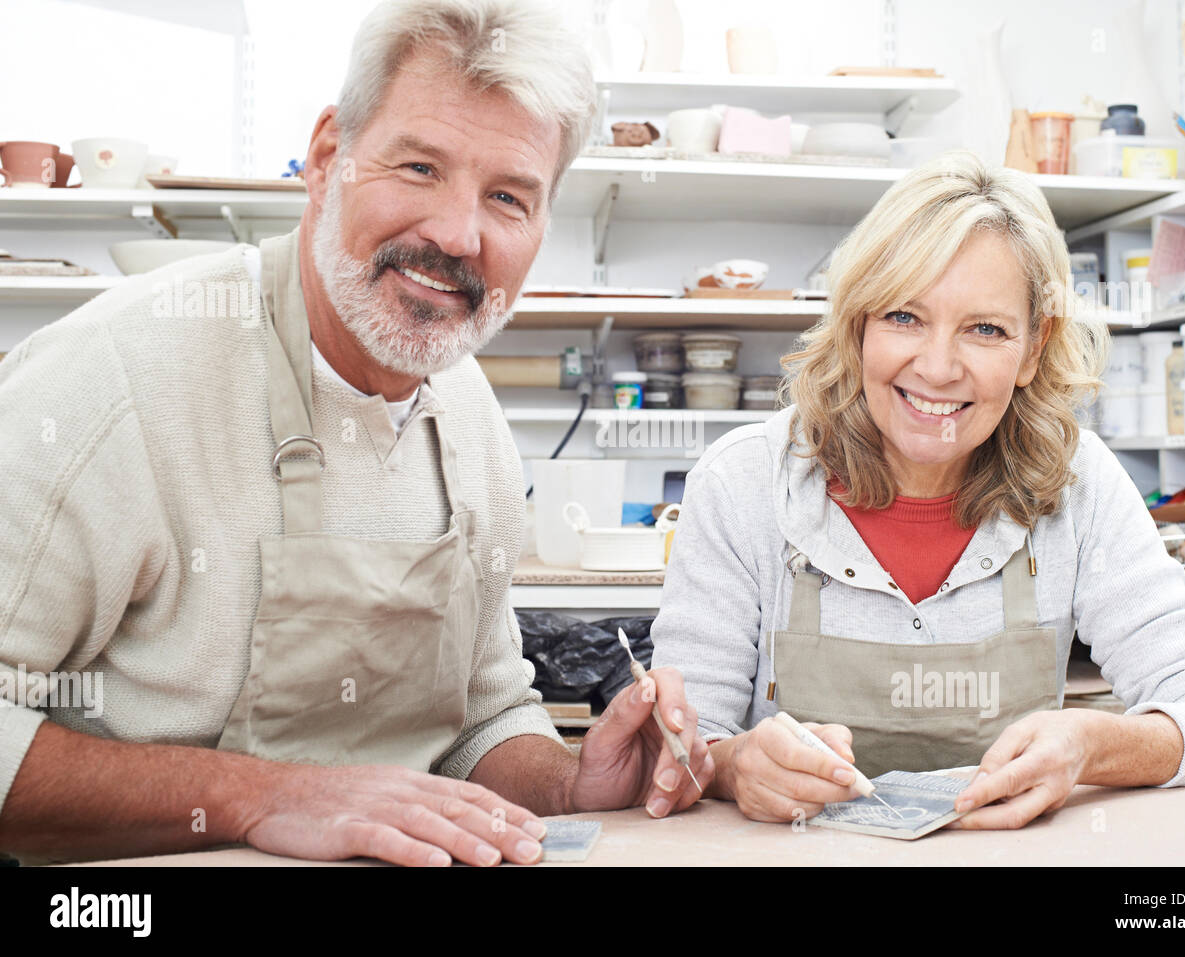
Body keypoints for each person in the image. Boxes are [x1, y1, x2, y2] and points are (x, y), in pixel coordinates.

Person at [0, 0, 710, 867]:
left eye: (507, 197)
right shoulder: (112, 381)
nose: (457, 233)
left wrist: (569, 782)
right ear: (330, 157)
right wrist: (262, 794)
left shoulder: (470, 416)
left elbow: (482, 716)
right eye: (418, 166)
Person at [650, 150, 1185, 828]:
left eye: (985, 329)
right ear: (857, 325)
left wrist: (1095, 744)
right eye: (903, 317)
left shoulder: (1078, 483)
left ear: (1035, 348)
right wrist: (737, 764)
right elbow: (676, 755)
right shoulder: (744, 484)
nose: (939, 367)